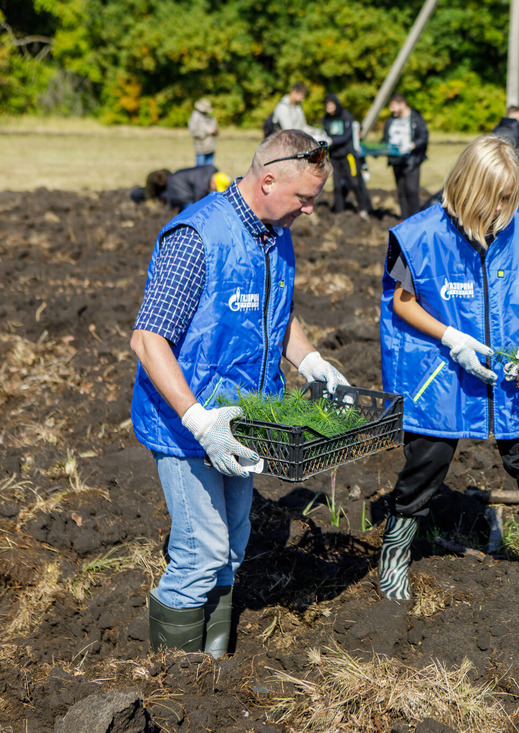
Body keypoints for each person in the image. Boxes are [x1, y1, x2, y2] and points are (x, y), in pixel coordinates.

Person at [130, 130, 348, 656]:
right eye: (305, 198)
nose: (312, 209)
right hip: (190, 424)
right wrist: (200, 420)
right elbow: (148, 338)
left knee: (232, 548)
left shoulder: (276, 229)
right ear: (268, 180)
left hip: (244, 418)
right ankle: (171, 677)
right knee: (201, 551)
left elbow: (277, 310)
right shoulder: (197, 235)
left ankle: (214, 663)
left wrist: (311, 360)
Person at [376, 134, 519, 601]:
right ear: (470, 188)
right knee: (427, 461)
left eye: (511, 196)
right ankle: (394, 552)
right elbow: (402, 304)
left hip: (504, 368)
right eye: (497, 197)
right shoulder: (421, 235)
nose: (504, 207)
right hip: (441, 368)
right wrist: (451, 338)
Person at [322, 93, 374, 218]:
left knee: (354, 182)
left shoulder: (346, 117)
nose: (329, 107)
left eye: (331, 104)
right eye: (327, 105)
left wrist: (333, 141)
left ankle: (363, 209)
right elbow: (326, 133)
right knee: (337, 185)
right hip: (334, 156)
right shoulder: (326, 119)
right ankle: (339, 211)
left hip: (348, 156)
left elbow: (346, 136)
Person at [382, 93, 429, 219]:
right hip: (396, 160)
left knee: (412, 190)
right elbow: (385, 139)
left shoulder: (415, 118)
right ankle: (404, 218)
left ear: (402, 105)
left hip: (411, 160)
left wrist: (412, 145)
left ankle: (415, 218)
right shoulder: (391, 119)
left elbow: (423, 137)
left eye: (393, 106)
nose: (391, 110)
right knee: (401, 191)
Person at [188, 98, 218, 167]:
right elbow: (193, 132)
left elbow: (216, 130)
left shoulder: (209, 117)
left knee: (209, 170)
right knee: (200, 170)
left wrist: (215, 130)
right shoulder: (195, 116)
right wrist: (206, 132)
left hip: (210, 147)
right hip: (201, 147)